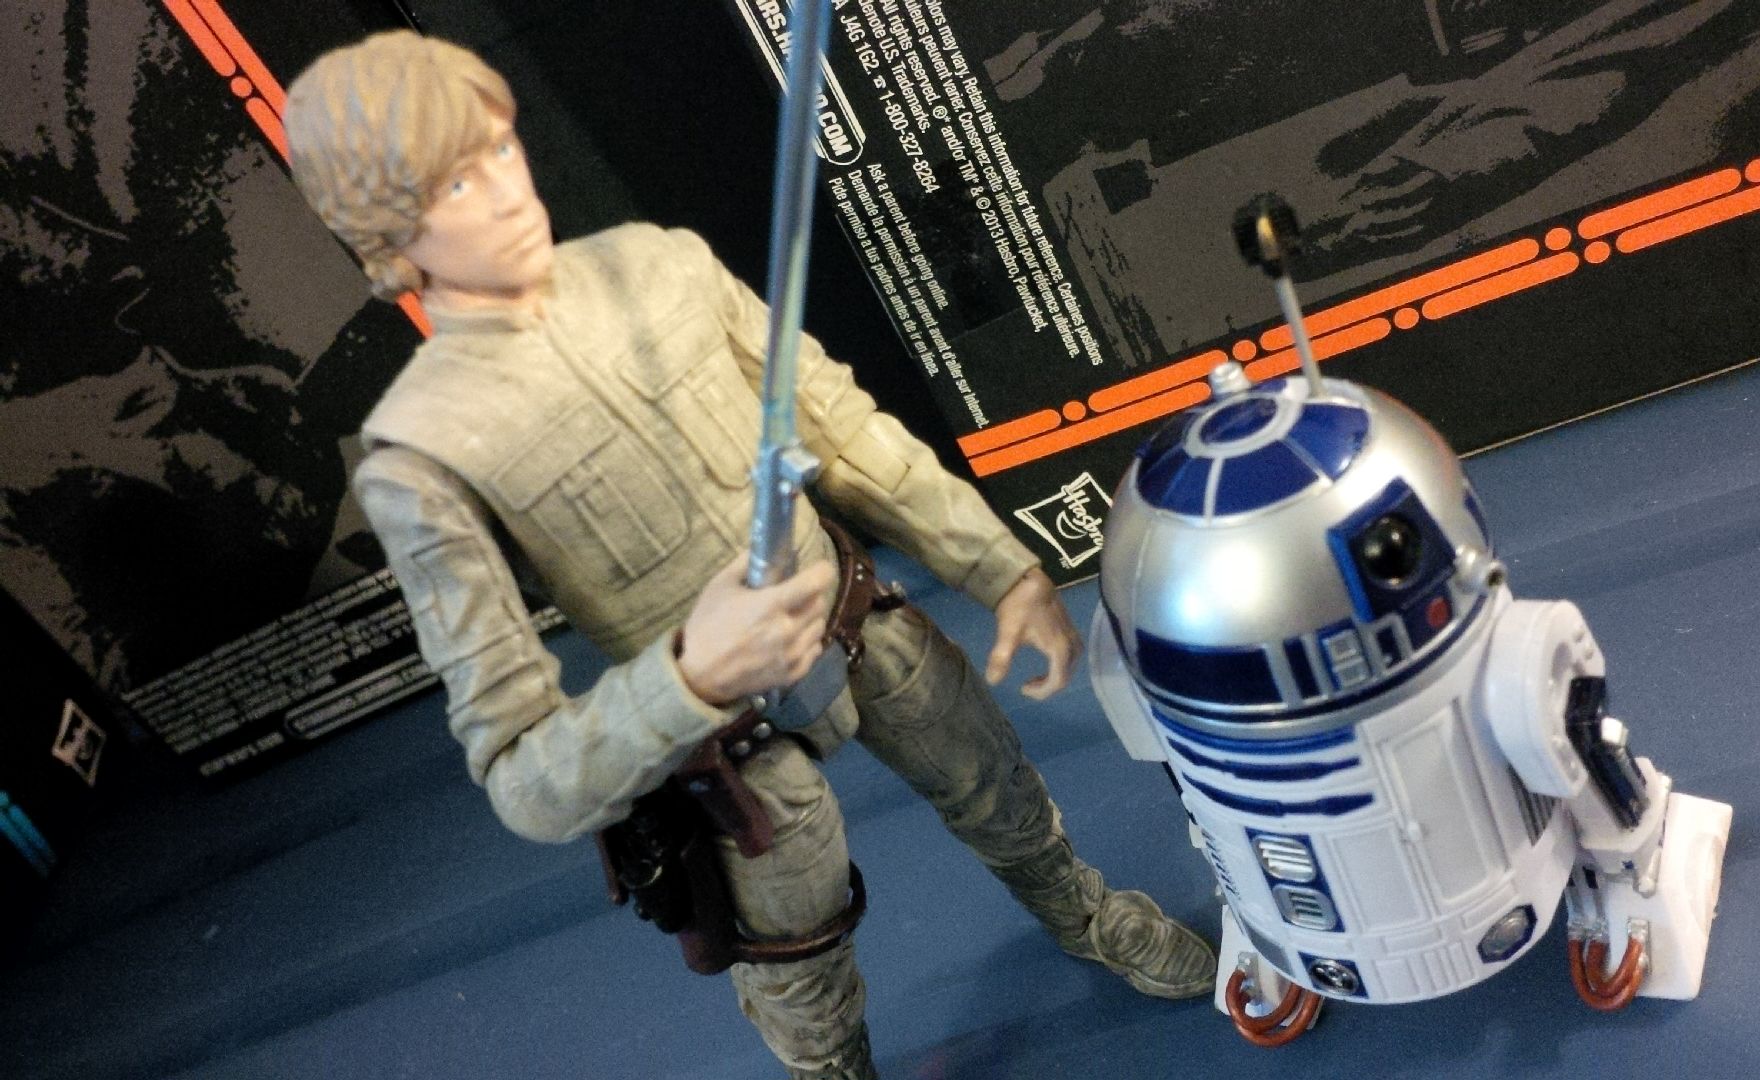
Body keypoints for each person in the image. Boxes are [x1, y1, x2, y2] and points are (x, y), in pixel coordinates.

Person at [282, 31, 1212, 1079]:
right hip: (724, 742)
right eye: (456, 182)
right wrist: (686, 679)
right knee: (798, 951)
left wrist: (998, 568)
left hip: (854, 623)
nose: (505, 190)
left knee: (995, 782)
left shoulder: (659, 264)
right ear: (387, 233)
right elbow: (524, 776)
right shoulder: (423, 454)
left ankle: (1083, 913)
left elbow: (840, 429)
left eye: (499, 147)